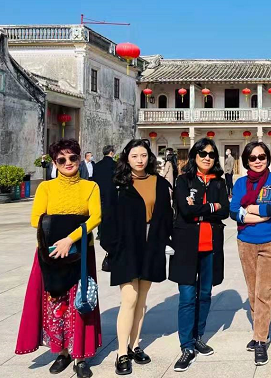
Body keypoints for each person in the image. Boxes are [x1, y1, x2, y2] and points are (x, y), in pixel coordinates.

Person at [16, 139, 101, 378]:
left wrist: (69, 239)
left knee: (80, 302)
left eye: (73, 158)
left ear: (79, 159)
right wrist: (61, 240)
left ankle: (80, 356)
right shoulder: (46, 188)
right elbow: (36, 219)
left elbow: (95, 217)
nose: (68, 163)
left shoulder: (90, 187)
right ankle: (62, 352)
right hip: (51, 253)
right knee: (55, 304)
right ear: (55, 163)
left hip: (79, 253)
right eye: (62, 159)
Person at [100, 139, 174, 375]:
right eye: (134, 156)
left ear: (149, 157)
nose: (139, 160)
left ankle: (135, 345)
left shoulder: (159, 183)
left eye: (143, 155)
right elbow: (107, 217)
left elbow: (166, 216)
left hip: (151, 246)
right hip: (126, 246)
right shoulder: (118, 184)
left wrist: (165, 241)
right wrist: (112, 246)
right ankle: (122, 352)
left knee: (142, 300)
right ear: (127, 158)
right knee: (129, 299)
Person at [171, 138, 230, 372]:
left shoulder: (219, 182)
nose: (207, 157)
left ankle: (198, 337)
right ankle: (186, 346)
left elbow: (225, 211)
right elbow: (185, 211)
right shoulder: (183, 180)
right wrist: (212, 207)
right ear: (194, 156)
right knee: (187, 297)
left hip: (211, 246)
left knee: (205, 294)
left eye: (211, 154)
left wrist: (202, 210)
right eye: (203, 153)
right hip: (187, 246)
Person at [230, 142, 271, 366]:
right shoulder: (240, 183)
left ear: (267, 158)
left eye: (261, 156)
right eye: (252, 158)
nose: (257, 161)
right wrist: (259, 215)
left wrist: (251, 209)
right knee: (253, 291)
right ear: (246, 161)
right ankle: (260, 330)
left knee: (264, 291)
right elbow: (234, 211)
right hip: (246, 242)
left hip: (270, 241)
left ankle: (261, 340)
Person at [92, 145, 116, 241]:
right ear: (111, 152)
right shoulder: (115, 165)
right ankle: (110, 233)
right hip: (112, 192)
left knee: (101, 213)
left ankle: (100, 233)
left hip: (100, 191)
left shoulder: (97, 165)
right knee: (112, 213)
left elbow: (94, 179)